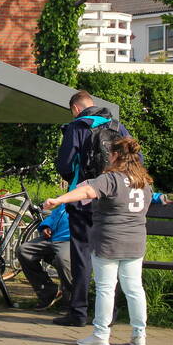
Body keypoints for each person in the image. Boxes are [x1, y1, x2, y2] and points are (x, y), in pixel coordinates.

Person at [43, 137, 153, 345]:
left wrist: (58, 200)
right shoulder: (143, 182)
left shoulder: (111, 179)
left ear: (114, 156)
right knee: (134, 288)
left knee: (105, 288)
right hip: (135, 241)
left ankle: (101, 335)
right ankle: (139, 335)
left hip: (108, 241)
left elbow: (86, 191)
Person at [53, 90, 133, 327]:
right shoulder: (118, 127)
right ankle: (111, 314)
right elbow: (134, 161)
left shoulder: (77, 128)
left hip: (84, 201)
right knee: (111, 254)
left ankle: (78, 312)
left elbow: (65, 165)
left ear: (76, 109)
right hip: (113, 200)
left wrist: (77, 183)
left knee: (81, 254)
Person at [18, 204, 73, 311]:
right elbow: (56, 213)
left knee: (62, 259)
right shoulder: (71, 190)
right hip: (53, 236)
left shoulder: (87, 192)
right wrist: (46, 226)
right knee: (24, 251)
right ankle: (48, 292)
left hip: (69, 238)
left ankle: (72, 302)